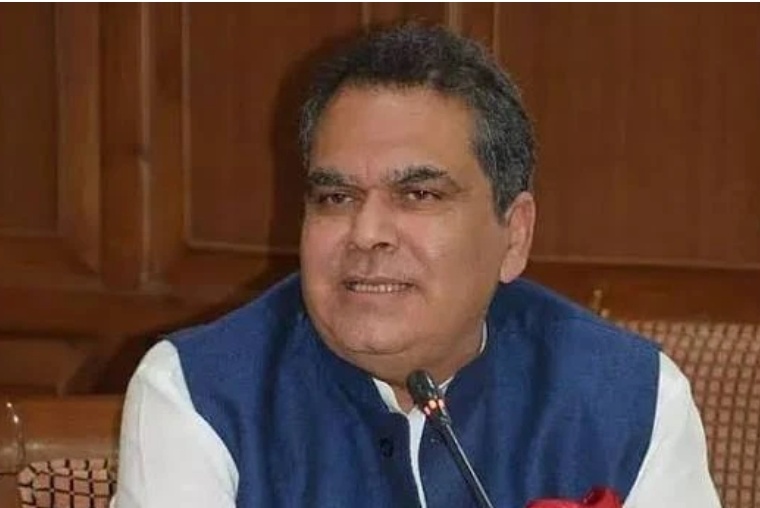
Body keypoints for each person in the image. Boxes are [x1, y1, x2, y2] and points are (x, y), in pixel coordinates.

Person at [113, 24, 721, 508]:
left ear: (514, 235)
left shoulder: (629, 397)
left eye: (419, 195)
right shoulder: (199, 393)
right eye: (335, 197)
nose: (366, 233)